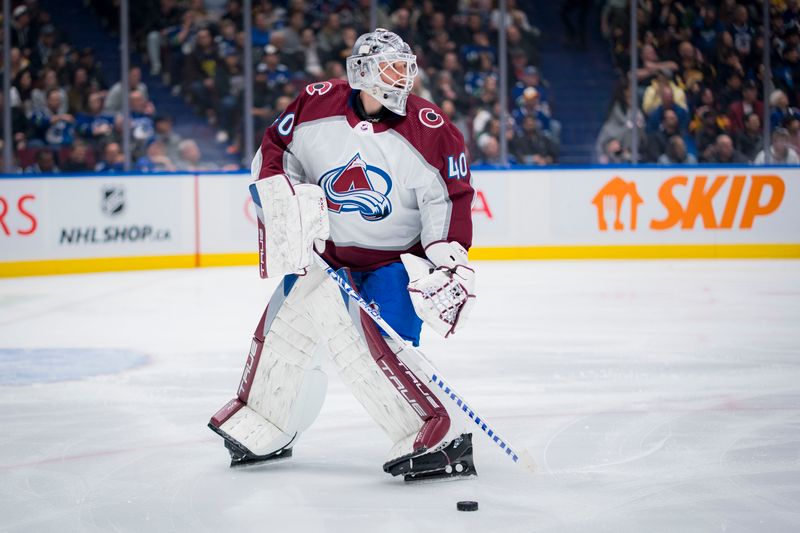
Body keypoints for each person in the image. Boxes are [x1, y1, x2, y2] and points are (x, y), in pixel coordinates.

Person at [208, 29, 477, 482]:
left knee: (375, 348)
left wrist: (449, 259)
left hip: (391, 263)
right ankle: (269, 422)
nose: (404, 76)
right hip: (324, 258)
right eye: (392, 67)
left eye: (406, 65)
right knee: (283, 333)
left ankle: (439, 435)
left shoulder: (432, 130)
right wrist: (287, 205)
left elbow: (447, 200)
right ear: (363, 72)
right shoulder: (316, 104)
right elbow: (275, 154)